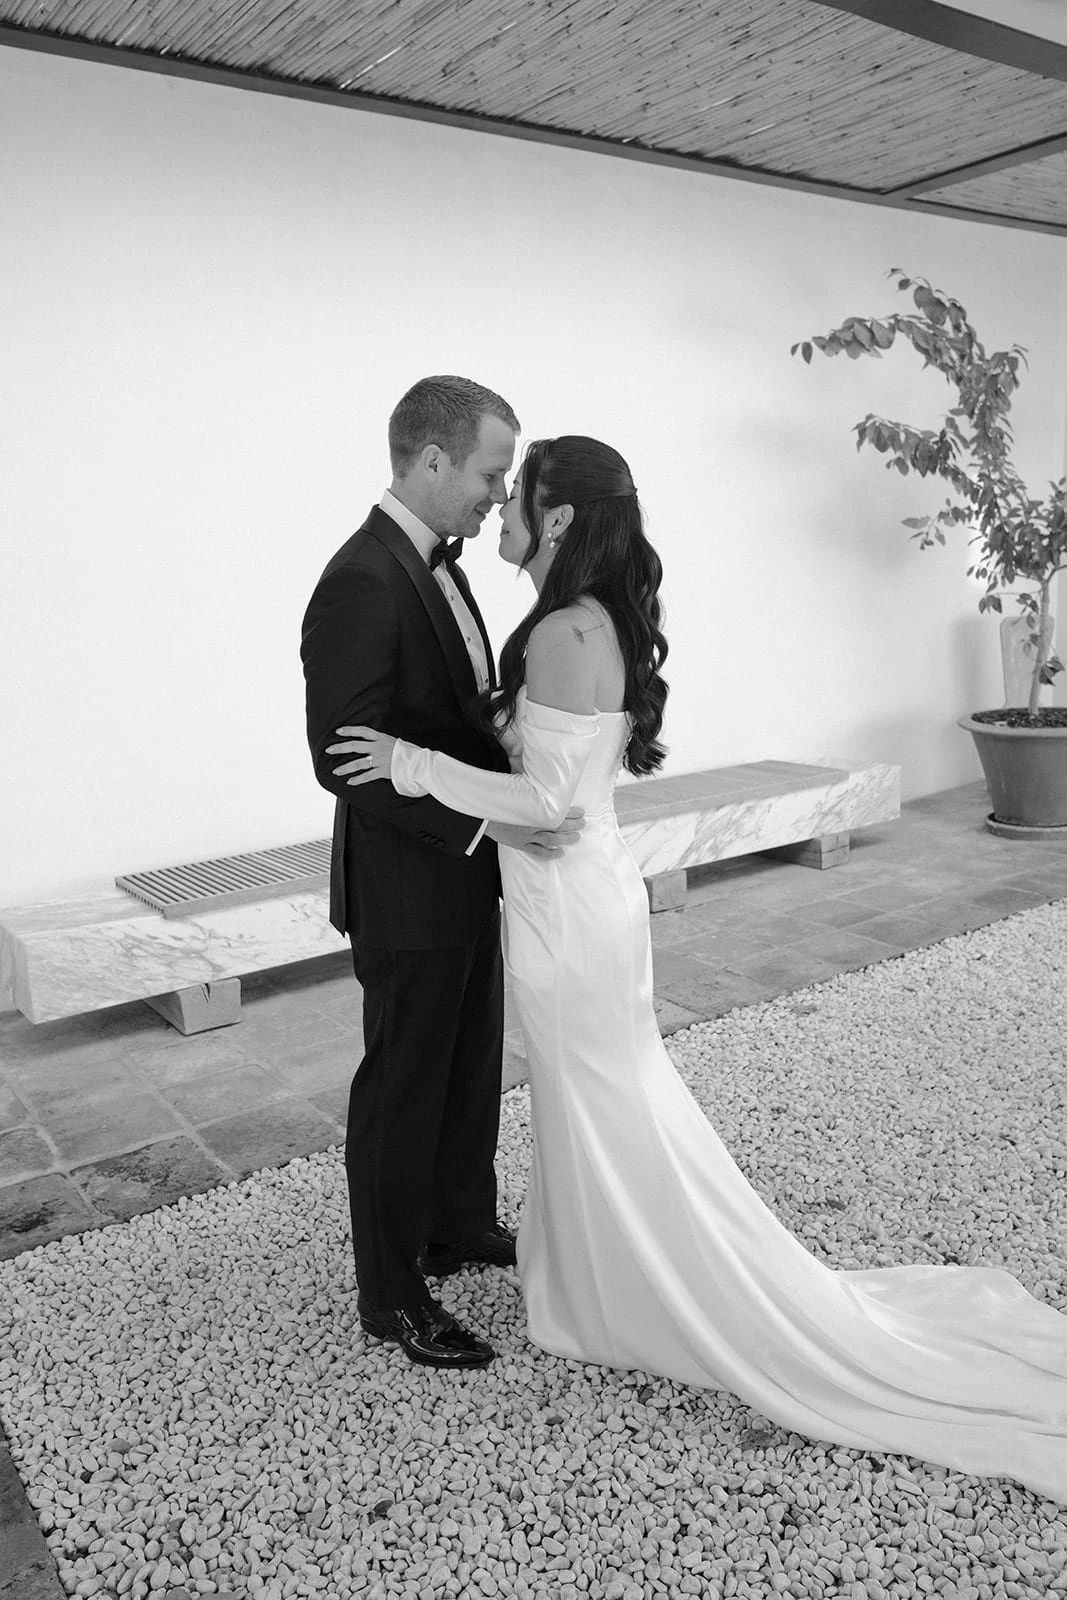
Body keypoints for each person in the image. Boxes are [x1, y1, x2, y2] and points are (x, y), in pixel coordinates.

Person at [328, 433, 1067, 1504]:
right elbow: (546, 795)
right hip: (570, 900)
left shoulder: (561, 636)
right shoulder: (580, 623)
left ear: (561, 520)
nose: (500, 509)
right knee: (596, 1096)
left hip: (568, 914)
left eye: (517, 494)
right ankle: (596, 1275)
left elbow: (548, 806)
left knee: (603, 1094)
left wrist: (407, 761)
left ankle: (650, 1291)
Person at [300, 377, 584, 1371]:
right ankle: (391, 1295)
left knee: (468, 1070)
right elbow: (343, 754)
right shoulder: (362, 579)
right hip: (409, 885)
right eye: (488, 472)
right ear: (428, 461)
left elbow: (450, 715)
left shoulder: (438, 563)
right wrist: (481, 824)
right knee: (403, 1087)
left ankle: (457, 1222)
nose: (493, 493)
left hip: (469, 875)